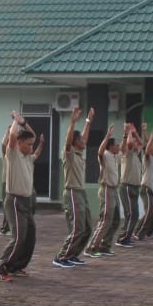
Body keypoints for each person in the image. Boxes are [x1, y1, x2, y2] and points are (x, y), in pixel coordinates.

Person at [0, 112, 38, 283]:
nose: (31, 147)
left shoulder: (28, 157)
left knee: (30, 236)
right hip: (14, 201)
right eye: (28, 144)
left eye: (32, 144)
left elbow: (32, 135)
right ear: (19, 143)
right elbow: (12, 136)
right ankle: (1, 267)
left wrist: (24, 122)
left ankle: (16, 266)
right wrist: (16, 122)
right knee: (19, 237)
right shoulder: (13, 154)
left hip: (26, 202)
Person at [53, 106, 95, 268]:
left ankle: (72, 255)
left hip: (81, 193)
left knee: (87, 228)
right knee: (77, 228)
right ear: (75, 142)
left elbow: (84, 136)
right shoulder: (69, 153)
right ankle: (61, 257)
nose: (84, 141)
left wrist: (88, 121)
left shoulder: (78, 153)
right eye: (81, 139)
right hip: (72, 192)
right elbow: (68, 140)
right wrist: (72, 122)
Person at [87, 126, 120, 258]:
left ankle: (105, 246)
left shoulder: (115, 156)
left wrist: (127, 134)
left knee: (116, 220)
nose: (118, 147)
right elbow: (99, 152)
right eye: (116, 145)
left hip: (114, 190)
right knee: (106, 220)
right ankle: (91, 247)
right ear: (110, 146)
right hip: (107, 189)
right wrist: (107, 136)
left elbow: (126, 148)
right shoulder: (105, 155)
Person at [117, 122, 144, 247]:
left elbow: (142, 144)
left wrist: (136, 133)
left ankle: (126, 236)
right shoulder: (127, 153)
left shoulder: (135, 154)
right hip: (126, 186)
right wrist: (128, 133)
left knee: (135, 214)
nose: (136, 142)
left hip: (134, 187)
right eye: (134, 140)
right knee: (130, 213)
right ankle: (122, 239)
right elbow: (128, 144)